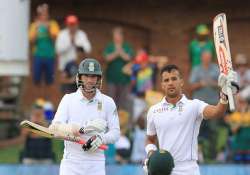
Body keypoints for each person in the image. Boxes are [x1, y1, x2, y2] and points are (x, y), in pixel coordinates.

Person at [143, 64, 238, 175]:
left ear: (181, 82)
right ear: (162, 85)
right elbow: (150, 139)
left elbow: (217, 112)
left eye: (174, 79)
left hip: (188, 169)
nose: (170, 83)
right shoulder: (153, 110)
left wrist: (224, 96)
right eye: (166, 80)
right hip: (164, 170)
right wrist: (151, 155)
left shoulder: (194, 106)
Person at [49, 58, 120, 175]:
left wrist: (102, 138)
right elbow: (54, 128)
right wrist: (76, 129)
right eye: (86, 76)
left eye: (93, 76)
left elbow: (115, 133)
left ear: (99, 78)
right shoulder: (68, 99)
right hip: (71, 162)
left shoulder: (108, 102)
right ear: (79, 77)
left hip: (96, 163)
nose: (90, 80)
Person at [103, 27, 134, 111]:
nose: (116, 37)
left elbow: (128, 58)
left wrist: (121, 52)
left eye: (118, 35)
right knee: (111, 101)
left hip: (124, 79)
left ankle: (122, 120)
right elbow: (107, 58)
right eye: (115, 35)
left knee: (123, 102)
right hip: (111, 79)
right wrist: (116, 53)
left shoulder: (126, 46)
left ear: (122, 36)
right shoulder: (110, 46)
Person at [29, 3, 60, 86]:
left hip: (50, 55)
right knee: (36, 80)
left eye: (45, 14)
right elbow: (32, 41)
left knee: (49, 81)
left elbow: (55, 40)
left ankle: (47, 99)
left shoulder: (53, 24)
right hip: (37, 55)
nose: (43, 16)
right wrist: (36, 28)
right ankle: (39, 99)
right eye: (42, 14)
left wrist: (48, 28)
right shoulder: (34, 25)